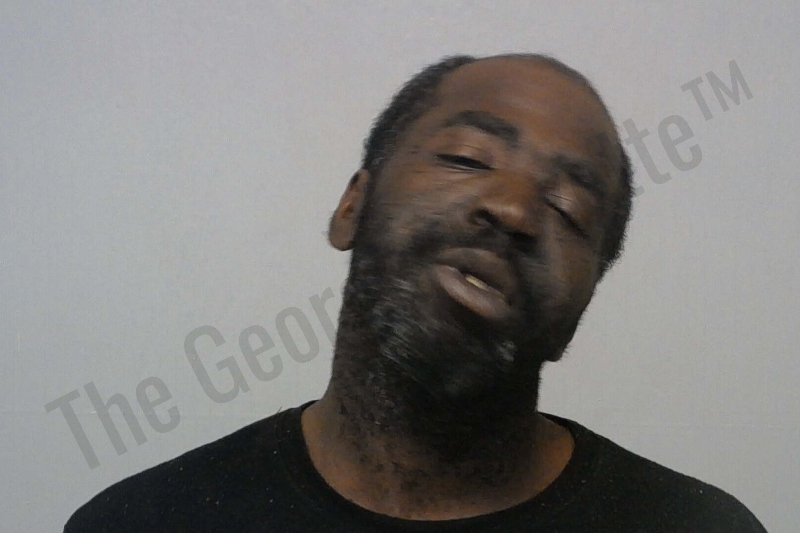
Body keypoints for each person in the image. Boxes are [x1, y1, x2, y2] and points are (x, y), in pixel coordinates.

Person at [65, 53, 768, 532]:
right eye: (467, 158)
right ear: (352, 206)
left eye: (568, 208)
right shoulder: (144, 520)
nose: (513, 209)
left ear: (578, 309)